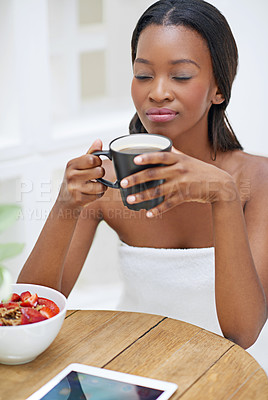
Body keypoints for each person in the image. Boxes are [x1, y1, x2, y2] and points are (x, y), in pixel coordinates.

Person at [18, 0, 268, 349]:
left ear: (219, 89)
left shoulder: (257, 179)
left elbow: (243, 333)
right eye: (143, 75)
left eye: (180, 76)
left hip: (229, 372)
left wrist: (222, 194)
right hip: (134, 363)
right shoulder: (105, 181)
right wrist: (66, 205)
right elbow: (28, 314)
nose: (158, 92)